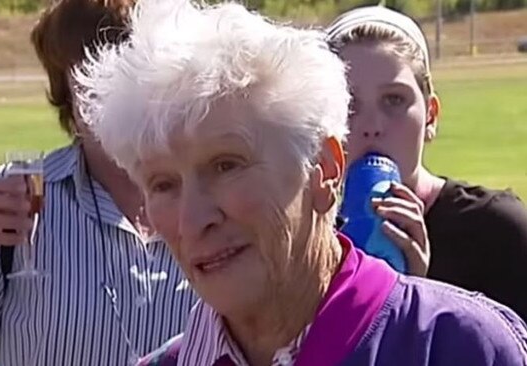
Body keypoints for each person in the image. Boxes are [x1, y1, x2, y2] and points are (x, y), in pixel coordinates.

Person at [74, 0, 527, 365]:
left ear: (325, 169)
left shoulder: (464, 347)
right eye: (163, 185)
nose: (193, 221)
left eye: (225, 165)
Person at [0, 0, 197, 364]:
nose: (106, 89)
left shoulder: (219, 203)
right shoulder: (18, 198)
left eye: (128, 66)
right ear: (65, 84)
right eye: (87, 68)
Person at [326, 6, 527, 321]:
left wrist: (419, 297)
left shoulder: (495, 230)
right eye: (350, 105)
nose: (372, 125)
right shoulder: (310, 243)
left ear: (430, 116)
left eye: (394, 100)